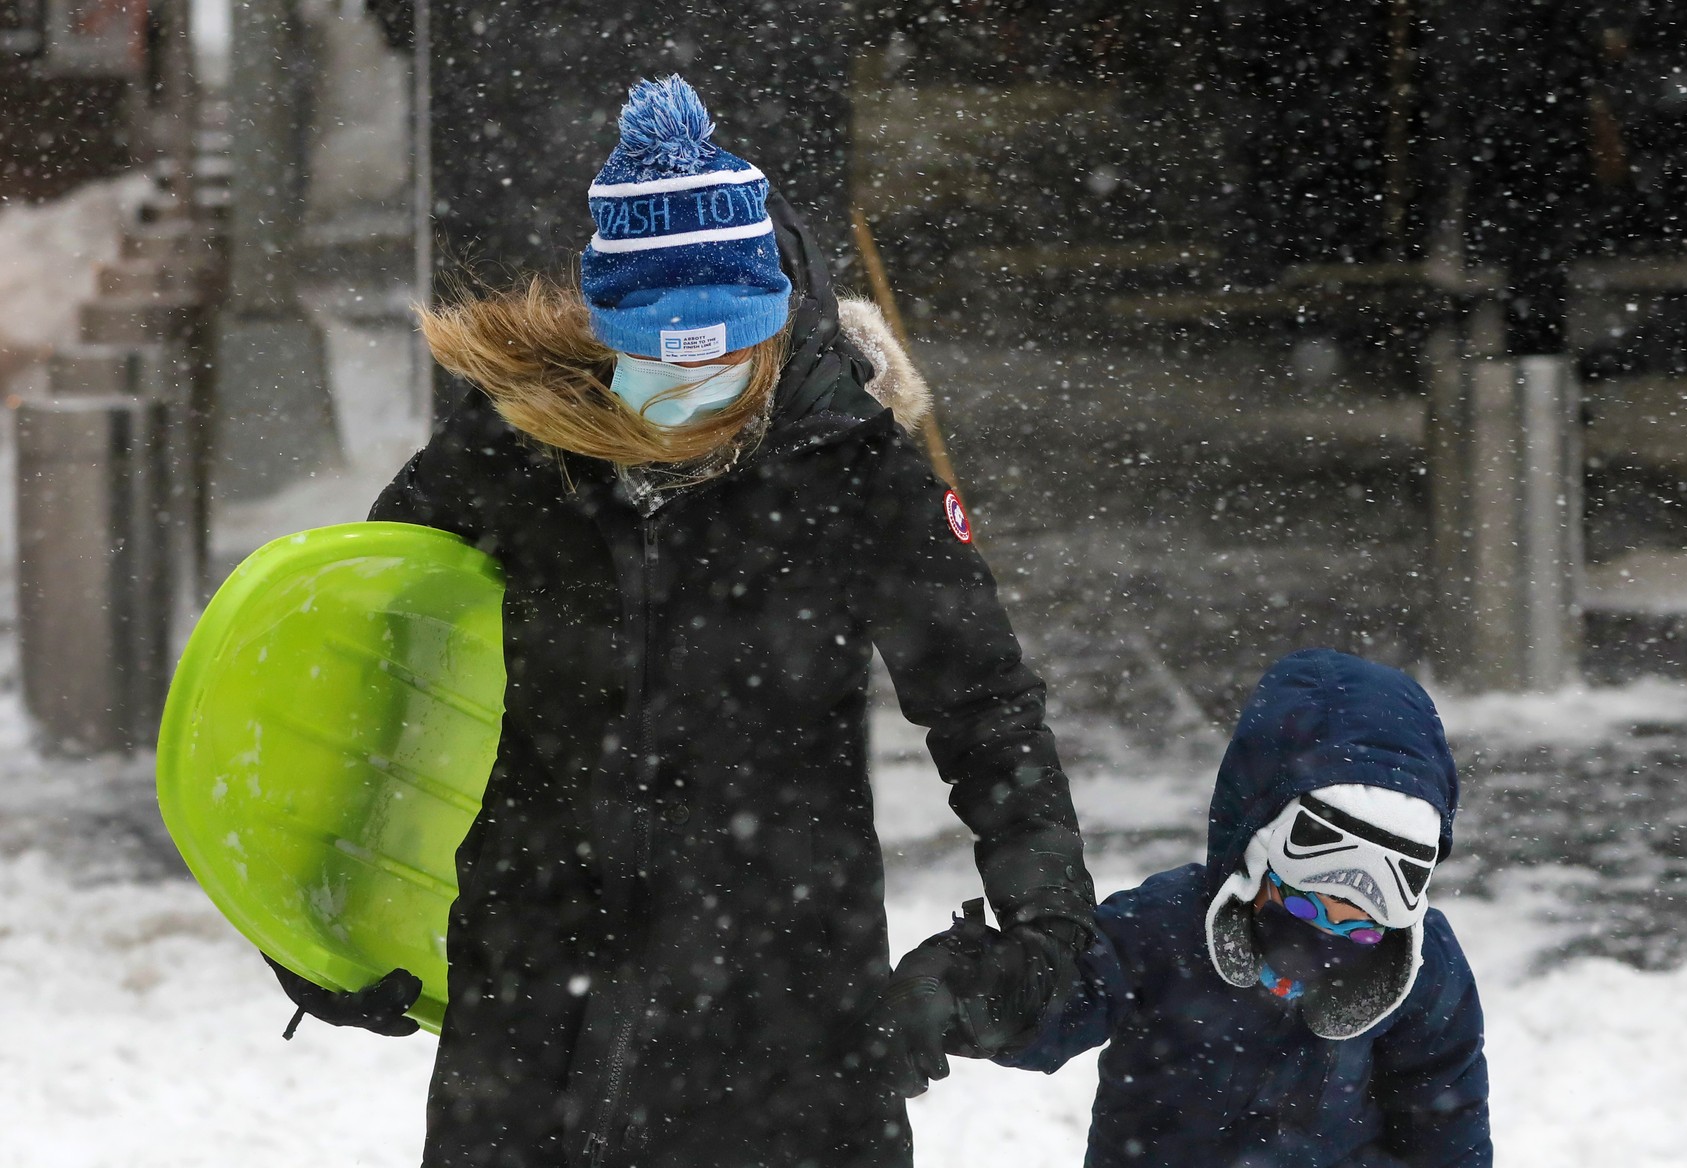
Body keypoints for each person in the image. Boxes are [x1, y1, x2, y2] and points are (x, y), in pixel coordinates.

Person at [264, 75, 1097, 1168]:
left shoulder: (853, 470)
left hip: (783, 1013)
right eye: (660, 360)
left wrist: (1045, 937)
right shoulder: (517, 449)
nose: (693, 396)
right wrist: (318, 908)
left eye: (723, 363)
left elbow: (984, 707)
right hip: (533, 1009)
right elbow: (368, 658)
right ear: (608, 334)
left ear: (770, 330)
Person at [997, 648, 1491, 1167]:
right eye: (1303, 908)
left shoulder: (1424, 970)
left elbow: (1446, 1128)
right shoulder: (1165, 926)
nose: (1327, 943)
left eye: (1360, 932)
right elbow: (1057, 1002)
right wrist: (985, 989)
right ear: (1258, 852)